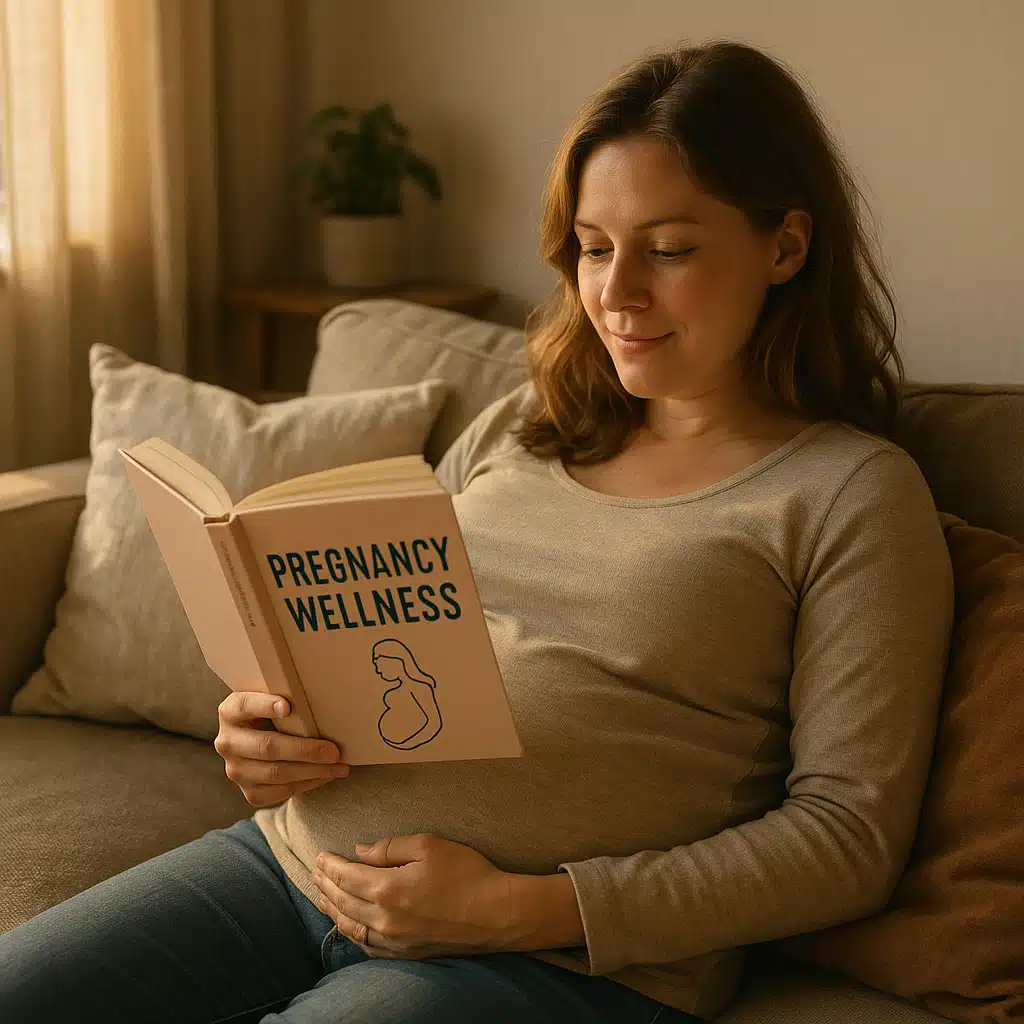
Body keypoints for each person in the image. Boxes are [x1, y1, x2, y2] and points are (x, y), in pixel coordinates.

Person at [0, 39, 954, 1024]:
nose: (617, 292)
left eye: (668, 249)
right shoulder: (522, 427)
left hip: (560, 961)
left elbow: (847, 839)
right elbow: (390, 647)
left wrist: (516, 908)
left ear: (786, 246)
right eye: (592, 245)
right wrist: (264, 734)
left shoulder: (849, 495)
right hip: (292, 863)